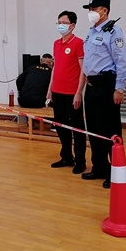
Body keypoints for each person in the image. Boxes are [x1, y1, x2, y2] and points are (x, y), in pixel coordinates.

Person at [81, 0, 126, 189]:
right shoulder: (91, 32)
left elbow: (121, 61)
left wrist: (119, 88)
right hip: (91, 85)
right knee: (93, 129)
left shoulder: (114, 31)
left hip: (106, 85)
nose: (90, 12)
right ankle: (99, 166)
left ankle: (115, 172)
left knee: (110, 130)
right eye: (89, 9)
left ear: (104, 11)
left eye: (94, 9)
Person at [46, 11, 87, 174]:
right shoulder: (56, 43)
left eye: (64, 23)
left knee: (77, 127)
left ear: (72, 26)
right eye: (59, 22)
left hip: (72, 93)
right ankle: (66, 156)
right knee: (61, 126)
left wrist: (79, 92)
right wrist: (50, 89)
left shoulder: (79, 43)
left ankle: (80, 160)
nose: (60, 25)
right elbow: (55, 67)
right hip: (57, 91)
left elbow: (83, 70)